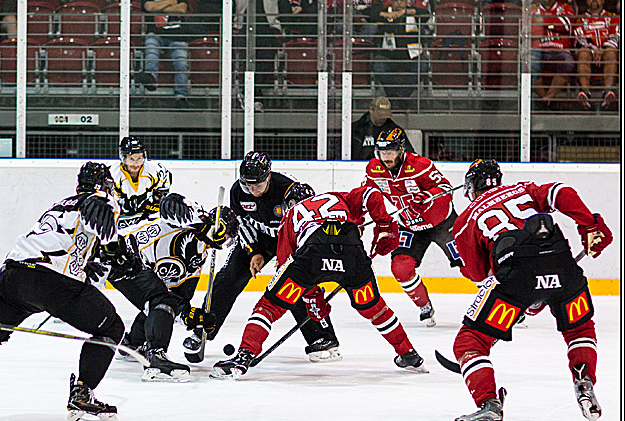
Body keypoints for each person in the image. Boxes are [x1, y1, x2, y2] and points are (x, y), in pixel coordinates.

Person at [0, 162, 131, 421]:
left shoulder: (60, 205)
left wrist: (86, 263)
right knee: (111, 327)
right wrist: (116, 248)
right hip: (53, 282)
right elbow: (98, 211)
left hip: (13, 275)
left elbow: (63, 239)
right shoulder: (100, 201)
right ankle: (82, 398)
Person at [449, 159, 612, 421]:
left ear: (471, 188)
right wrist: (589, 225)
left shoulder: (466, 219)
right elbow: (562, 191)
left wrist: (522, 297)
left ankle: (489, 406)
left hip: (516, 276)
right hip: (562, 264)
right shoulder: (524, 189)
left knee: (470, 341)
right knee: (579, 329)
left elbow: (478, 275)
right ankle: (584, 383)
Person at [210, 181, 426, 378]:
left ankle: (243, 357)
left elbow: (289, 263)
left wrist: (313, 299)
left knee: (268, 306)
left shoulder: (289, 215)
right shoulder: (336, 197)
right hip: (352, 251)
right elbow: (371, 193)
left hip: (312, 252)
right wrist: (384, 225)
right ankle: (408, 353)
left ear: (290, 203)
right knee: (375, 308)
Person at [196, 151, 342, 364]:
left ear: (268, 177)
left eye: (257, 185)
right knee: (228, 277)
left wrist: (289, 257)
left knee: (294, 282)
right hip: (259, 238)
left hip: (291, 238)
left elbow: (307, 226)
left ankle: (322, 337)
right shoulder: (238, 191)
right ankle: (204, 328)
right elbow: (243, 223)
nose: (252, 191)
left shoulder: (289, 190)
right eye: (248, 185)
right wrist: (253, 251)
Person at [117, 200, 240, 381]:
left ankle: (134, 342)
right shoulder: (191, 220)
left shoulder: (199, 255)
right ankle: (156, 361)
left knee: (163, 301)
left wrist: (193, 317)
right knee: (162, 301)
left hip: (135, 266)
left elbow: (178, 298)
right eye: (226, 236)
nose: (223, 242)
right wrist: (203, 223)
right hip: (120, 254)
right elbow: (170, 204)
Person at [364, 128, 460, 326]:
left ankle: (501, 298)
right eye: (382, 152)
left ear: (401, 150)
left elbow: (446, 189)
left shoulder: (420, 165)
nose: (386, 157)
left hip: (441, 223)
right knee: (400, 268)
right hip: (409, 225)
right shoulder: (374, 169)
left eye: (390, 152)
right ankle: (424, 306)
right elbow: (365, 195)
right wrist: (357, 220)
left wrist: (426, 197)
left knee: (470, 263)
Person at [138, 0, 191, 105]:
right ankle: (151, 82)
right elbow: (148, 7)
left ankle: (181, 96)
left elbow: (181, 9)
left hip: (178, 33)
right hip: (155, 32)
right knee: (151, 52)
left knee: (181, 62)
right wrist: (171, 2)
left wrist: (159, 7)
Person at [234, 0, 286, 102]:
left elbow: (285, 13)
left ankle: (255, 92)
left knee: (264, 49)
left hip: (267, 31)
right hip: (244, 30)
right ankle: (253, 94)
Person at [528, 0, 576, 107]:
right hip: (538, 49)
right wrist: (554, 24)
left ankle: (549, 96)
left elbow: (567, 25)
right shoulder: (532, 9)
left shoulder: (565, 8)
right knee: (529, 62)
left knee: (568, 62)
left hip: (559, 49)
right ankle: (544, 96)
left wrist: (543, 23)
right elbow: (526, 29)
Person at [370, 0, 426, 100]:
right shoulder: (386, 12)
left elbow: (426, 13)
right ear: (391, 1)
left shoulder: (413, 12)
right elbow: (369, 13)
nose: (399, 3)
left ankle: (401, 96)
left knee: (423, 66)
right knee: (378, 66)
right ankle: (393, 96)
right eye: (396, 0)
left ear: (407, 1)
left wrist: (404, 12)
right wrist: (384, 14)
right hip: (389, 55)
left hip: (410, 56)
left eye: (402, 0)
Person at [574, 0, 620, 111]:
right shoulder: (580, 18)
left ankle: (608, 92)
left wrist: (603, 49)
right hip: (588, 53)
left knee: (611, 52)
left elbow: (616, 36)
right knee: (583, 52)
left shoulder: (612, 17)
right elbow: (580, 39)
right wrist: (594, 49)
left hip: (606, 52)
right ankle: (584, 92)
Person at [111, 136, 172, 230]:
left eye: (139, 158)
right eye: (131, 159)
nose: (136, 163)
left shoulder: (155, 170)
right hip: (121, 219)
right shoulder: (112, 174)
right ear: (124, 158)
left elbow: (162, 190)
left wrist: (150, 210)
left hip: (147, 214)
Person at [350, 95, 414, 161]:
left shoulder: (395, 131)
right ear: (371, 110)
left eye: (385, 116)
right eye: (380, 115)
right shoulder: (356, 129)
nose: (383, 119)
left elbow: (410, 155)